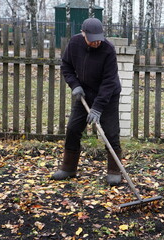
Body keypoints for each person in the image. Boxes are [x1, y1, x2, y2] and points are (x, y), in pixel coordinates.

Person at [51, 18, 122, 186]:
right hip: (84, 94)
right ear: (83, 34)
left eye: (99, 38)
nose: (97, 42)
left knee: (111, 133)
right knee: (73, 129)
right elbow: (66, 66)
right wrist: (74, 85)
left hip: (108, 96)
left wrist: (97, 108)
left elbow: (109, 82)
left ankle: (114, 170)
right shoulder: (75, 43)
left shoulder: (108, 50)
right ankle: (68, 168)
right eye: (92, 39)